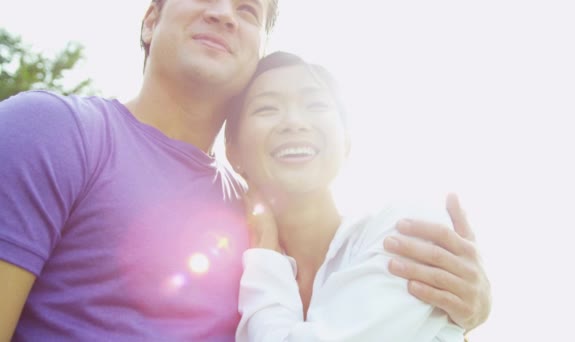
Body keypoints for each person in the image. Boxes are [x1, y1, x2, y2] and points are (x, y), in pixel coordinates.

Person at [0, 0, 490, 340]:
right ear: (150, 21)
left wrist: (461, 313)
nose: (223, 14)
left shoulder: (262, 221)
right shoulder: (54, 130)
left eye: (248, 11)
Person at [225, 51, 466, 341]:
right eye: (266, 108)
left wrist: (265, 254)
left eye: (315, 105)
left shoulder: (408, 229)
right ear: (233, 152)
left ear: (346, 142)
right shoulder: (222, 264)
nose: (295, 122)